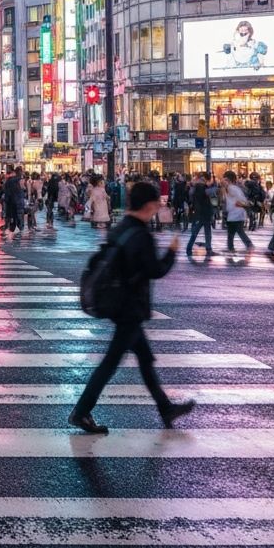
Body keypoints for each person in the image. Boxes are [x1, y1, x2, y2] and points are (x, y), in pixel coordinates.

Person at [68, 181, 196, 435]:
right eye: (157, 202)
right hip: (129, 308)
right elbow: (155, 270)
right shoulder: (140, 234)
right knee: (110, 363)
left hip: (120, 304)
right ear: (149, 205)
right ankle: (81, 411)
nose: (159, 206)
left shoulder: (121, 228)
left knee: (145, 359)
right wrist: (171, 253)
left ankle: (165, 407)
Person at [221, 170, 254, 264]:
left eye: (225, 178)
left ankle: (246, 245)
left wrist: (242, 204)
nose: (223, 180)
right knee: (234, 232)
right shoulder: (230, 188)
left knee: (236, 231)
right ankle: (232, 247)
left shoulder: (233, 188)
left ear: (228, 179)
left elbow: (241, 200)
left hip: (236, 212)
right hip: (234, 213)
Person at [186, 172, 216, 261]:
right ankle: (190, 248)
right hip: (203, 212)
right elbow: (207, 195)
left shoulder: (196, 187)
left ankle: (207, 248)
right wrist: (214, 187)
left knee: (203, 231)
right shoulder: (200, 187)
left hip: (201, 212)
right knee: (199, 232)